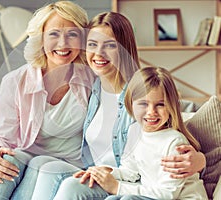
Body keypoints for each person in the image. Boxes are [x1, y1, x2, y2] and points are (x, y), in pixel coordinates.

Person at [51, 12, 206, 200]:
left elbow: (179, 113)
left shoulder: (141, 90)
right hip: (110, 175)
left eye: (110, 45)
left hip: (134, 187)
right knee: (47, 168)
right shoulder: (92, 86)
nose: (99, 53)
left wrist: (200, 160)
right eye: (92, 44)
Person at [0, 1, 95, 200]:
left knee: (42, 164)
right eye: (54, 34)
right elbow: (3, 137)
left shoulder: (92, 80)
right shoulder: (15, 81)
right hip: (26, 161)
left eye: (72, 34)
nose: (63, 43)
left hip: (70, 165)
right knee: (11, 158)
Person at [98, 66, 208, 200]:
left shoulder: (175, 143)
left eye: (160, 104)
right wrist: (108, 172)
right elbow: (131, 172)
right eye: (143, 104)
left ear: (171, 106)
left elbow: (168, 194)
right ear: (130, 103)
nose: (151, 112)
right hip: (153, 195)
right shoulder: (134, 131)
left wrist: (117, 187)